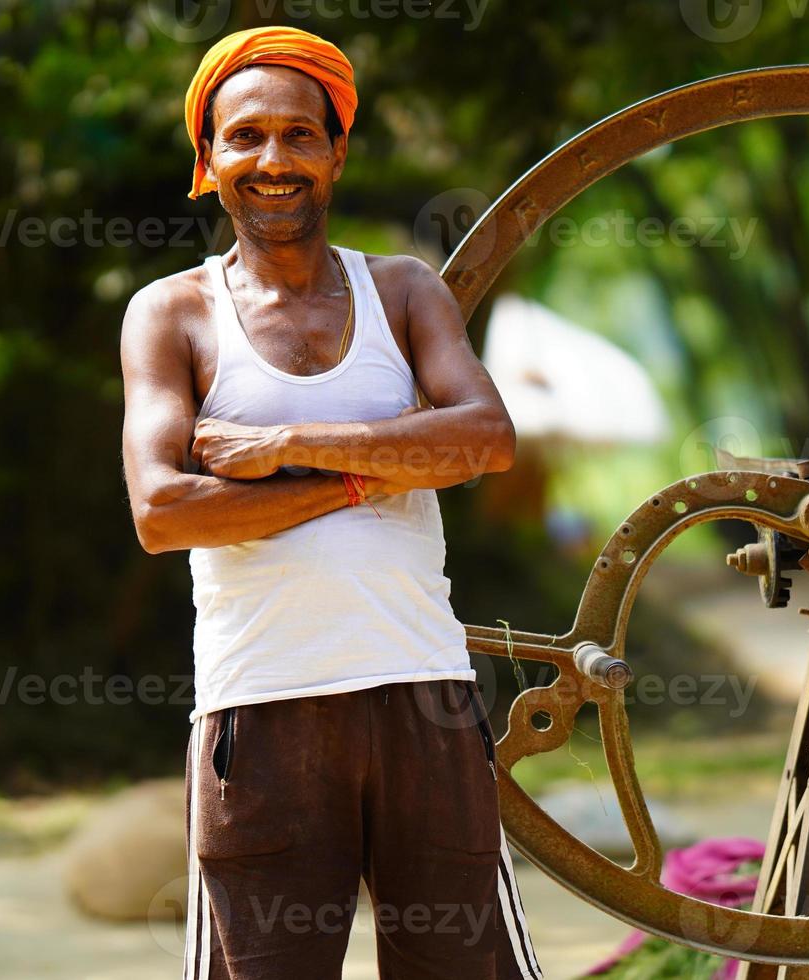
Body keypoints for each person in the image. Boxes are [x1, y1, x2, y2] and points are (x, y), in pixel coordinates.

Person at [118, 25, 541, 980]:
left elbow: (487, 439)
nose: (274, 160)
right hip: (260, 713)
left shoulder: (401, 290)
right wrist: (368, 477)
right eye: (246, 137)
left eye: (300, 136)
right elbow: (165, 512)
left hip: (424, 698)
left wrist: (284, 450)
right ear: (208, 158)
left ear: (337, 152)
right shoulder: (173, 312)